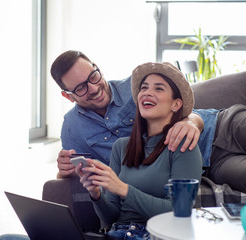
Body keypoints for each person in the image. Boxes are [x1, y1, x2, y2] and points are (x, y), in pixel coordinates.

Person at [52, 50, 246, 193]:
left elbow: (188, 110)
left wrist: (190, 122)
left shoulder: (137, 86)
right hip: (211, 165)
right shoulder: (72, 128)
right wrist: (65, 172)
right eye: (80, 88)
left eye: (93, 77)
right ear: (68, 96)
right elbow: (82, 174)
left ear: (96, 67)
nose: (93, 88)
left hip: (221, 126)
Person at [75, 62, 203, 239]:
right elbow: (111, 217)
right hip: (118, 233)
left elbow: (179, 210)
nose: (147, 92)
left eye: (159, 89)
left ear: (176, 104)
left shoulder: (183, 146)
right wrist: (95, 194)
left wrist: (124, 189)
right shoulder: (121, 147)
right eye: (144, 88)